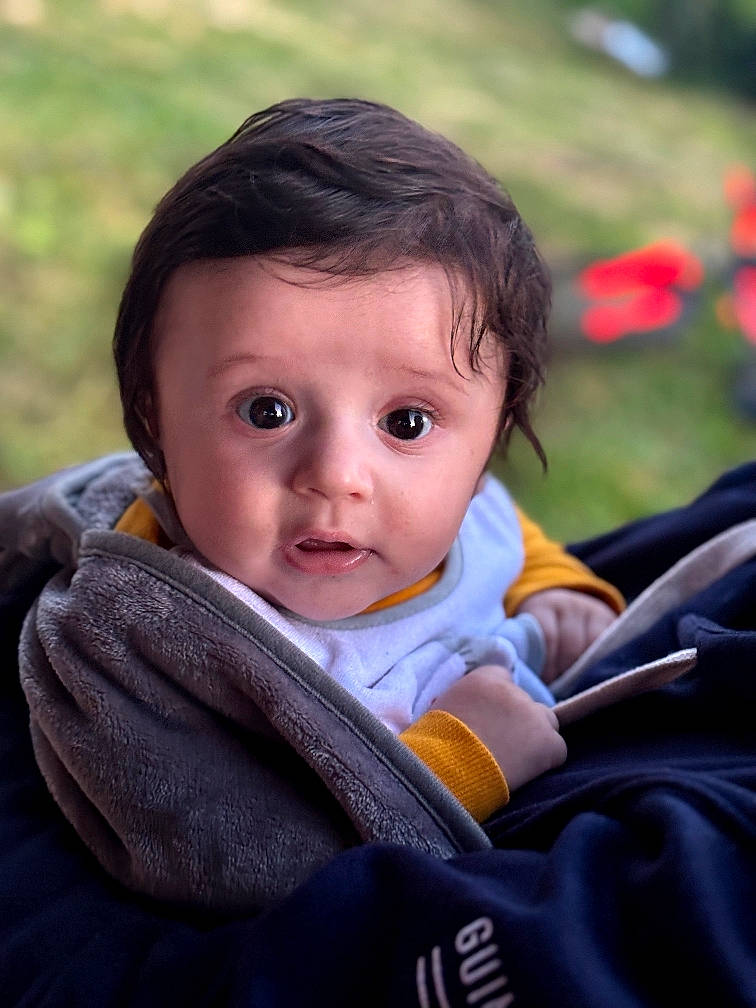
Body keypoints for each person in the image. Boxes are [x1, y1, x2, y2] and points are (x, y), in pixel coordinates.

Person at [7, 98, 623, 911]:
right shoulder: (129, 630)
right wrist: (459, 763)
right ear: (155, 415)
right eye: (267, 411)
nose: (337, 476)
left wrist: (552, 583)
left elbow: (496, 523)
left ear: (488, 439)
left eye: (405, 422)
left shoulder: (451, 499)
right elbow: (216, 857)